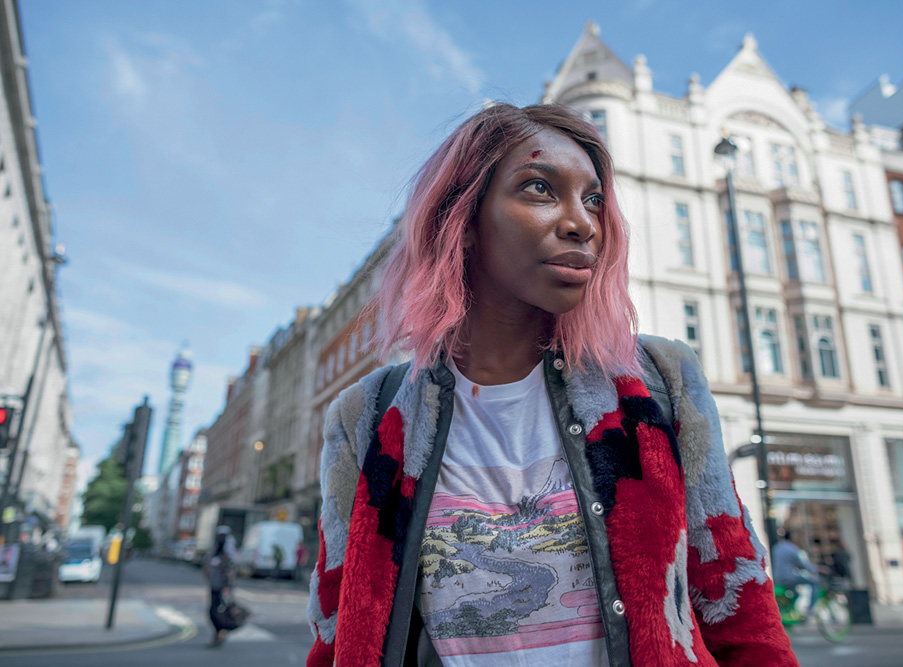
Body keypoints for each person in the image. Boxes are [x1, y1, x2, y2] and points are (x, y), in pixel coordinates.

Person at [306, 103, 797, 666]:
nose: (583, 223)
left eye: (593, 199)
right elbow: (337, 631)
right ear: (460, 221)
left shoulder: (660, 384)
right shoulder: (367, 418)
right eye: (540, 188)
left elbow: (743, 615)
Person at [205, 526, 244, 646]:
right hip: (214, 587)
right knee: (212, 612)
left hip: (223, 589)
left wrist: (228, 587)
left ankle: (220, 633)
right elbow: (207, 565)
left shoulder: (228, 555)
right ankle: (219, 632)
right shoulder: (214, 551)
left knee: (220, 613)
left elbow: (231, 572)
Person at [773, 532, 820, 615]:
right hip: (789, 577)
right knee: (814, 582)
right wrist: (815, 569)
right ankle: (811, 608)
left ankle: (791, 611)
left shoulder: (776, 547)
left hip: (777, 577)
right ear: (792, 538)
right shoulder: (792, 549)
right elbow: (802, 564)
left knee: (796, 593)